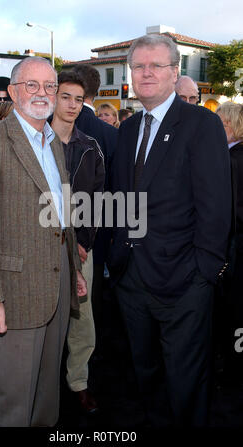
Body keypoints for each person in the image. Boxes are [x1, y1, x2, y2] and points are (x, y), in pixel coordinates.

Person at [108, 34, 232, 427]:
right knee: (146, 379)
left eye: (155, 66)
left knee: (186, 385)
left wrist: (204, 274)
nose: (146, 73)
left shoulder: (202, 124)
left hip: (185, 283)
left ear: (174, 72)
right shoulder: (126, 131)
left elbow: (216, 207)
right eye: (139, 66)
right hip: (131, 280)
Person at [0, 56, 87, 427]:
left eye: (49, 86)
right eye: (32, 85)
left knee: (48, 392)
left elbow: (62, 215)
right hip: (14, 291)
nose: (42, 93)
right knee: (14, 398)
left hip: (58, 281)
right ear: (14, 92)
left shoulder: (53, 142)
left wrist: (73, 268)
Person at [51, 70, 105, 413]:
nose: (72, 105)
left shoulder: (91, 147)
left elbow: (98, 201)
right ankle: (42, 385)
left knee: (82, 321)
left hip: (81, 249)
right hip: (39, 247)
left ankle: (79, 382)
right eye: (65, 97)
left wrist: (82, 242)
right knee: (42, 317)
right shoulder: (35, 143)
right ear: (53, 98)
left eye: (78, 99)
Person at [72, 64, 118, 368]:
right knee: (91, 308)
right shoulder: (110, 134)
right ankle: (89, 367)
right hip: (98, 236)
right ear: (97, 91)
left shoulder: (46, 124)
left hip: (53, 228)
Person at [216, 102, 243, 387]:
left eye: (221, 123)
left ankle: (232, 364)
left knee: (233, 309)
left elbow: (232, 210)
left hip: (234, 248)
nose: (216, 127)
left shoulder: (234, 159)